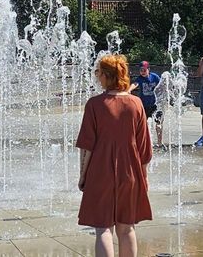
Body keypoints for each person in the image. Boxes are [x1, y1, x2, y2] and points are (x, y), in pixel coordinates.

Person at [76, 54, 152, 257]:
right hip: (130, 172)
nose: (97, 77)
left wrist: (83, 176)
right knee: (127, 228)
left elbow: (87, 147)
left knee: (103, 228)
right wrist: (143, 176)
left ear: (106, 76)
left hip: (100, 172)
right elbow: (144, 148)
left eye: (98, 73)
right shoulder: (136, 104)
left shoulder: (94, 104)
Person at [131, 61, 163, 146]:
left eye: (144, 70)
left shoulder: (154, 77)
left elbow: (162, 84)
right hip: (144, 105)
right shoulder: (140, 79)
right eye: (141, 70)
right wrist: (128, 90)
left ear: (148, 69)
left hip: (155, 105)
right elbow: (135, 84)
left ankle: (160, 143)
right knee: (144, 125)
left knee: (158, 123)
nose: (142, 72)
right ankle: (146, 143)